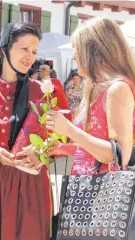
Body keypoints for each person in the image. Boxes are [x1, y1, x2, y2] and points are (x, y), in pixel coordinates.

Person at [0, 23, 70, 240]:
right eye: (24, 48)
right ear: (4, 49)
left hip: (30, 186)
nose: (30, 57)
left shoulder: (45, 92)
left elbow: (62, 138)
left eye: (34, 51)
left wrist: (43, 154)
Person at [46, 17, 135, 175]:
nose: (74, 56)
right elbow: (92, 153)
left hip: (104, 194)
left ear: (94, 51)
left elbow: (119, 156)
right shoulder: (95, 89)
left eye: (77, 48)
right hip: (84, 190)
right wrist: (62, 148)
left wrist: (70, 130)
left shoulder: (118, 89)